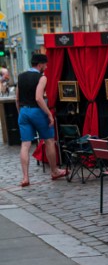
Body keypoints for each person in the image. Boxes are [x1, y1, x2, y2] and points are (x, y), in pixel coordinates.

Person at [16, 54, 67, 187]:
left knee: (25, 144)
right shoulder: (42, 77)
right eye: (45, 64)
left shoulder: (21, 76)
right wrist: (49, 114)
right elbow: (39, 98)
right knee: (49, 140)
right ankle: (54, 171)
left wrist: (20, 112)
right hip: (37, 111)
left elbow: (17, 99)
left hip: (23, 111)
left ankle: (25, 177)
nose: (46, 67)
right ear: (40, 65)